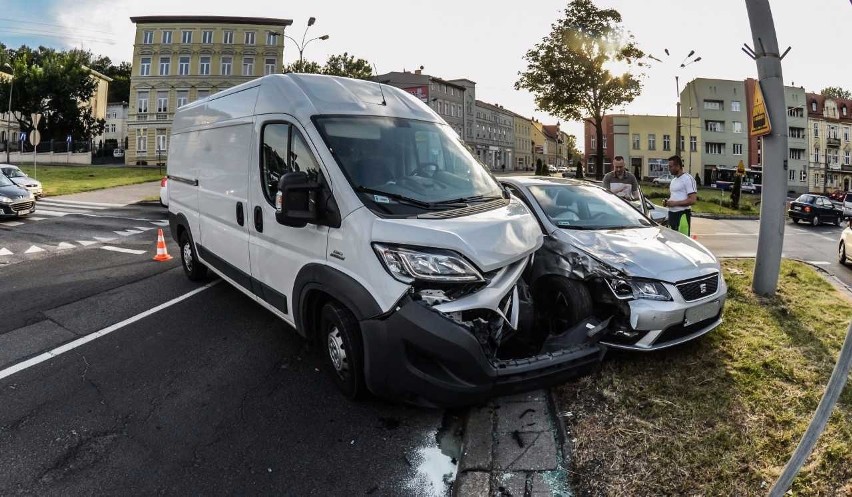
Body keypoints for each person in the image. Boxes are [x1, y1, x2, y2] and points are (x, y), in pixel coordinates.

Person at [663, 155, 697, 235]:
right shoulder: (673, 180)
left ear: (678, 166)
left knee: (682, 242)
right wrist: (668, 202)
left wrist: (674, 203)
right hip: (672, 214)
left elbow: (693, 200)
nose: (669, 169)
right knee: (672, 241)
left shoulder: (688, 179)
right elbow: (676, 196)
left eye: (670, 166)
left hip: (682, 215)